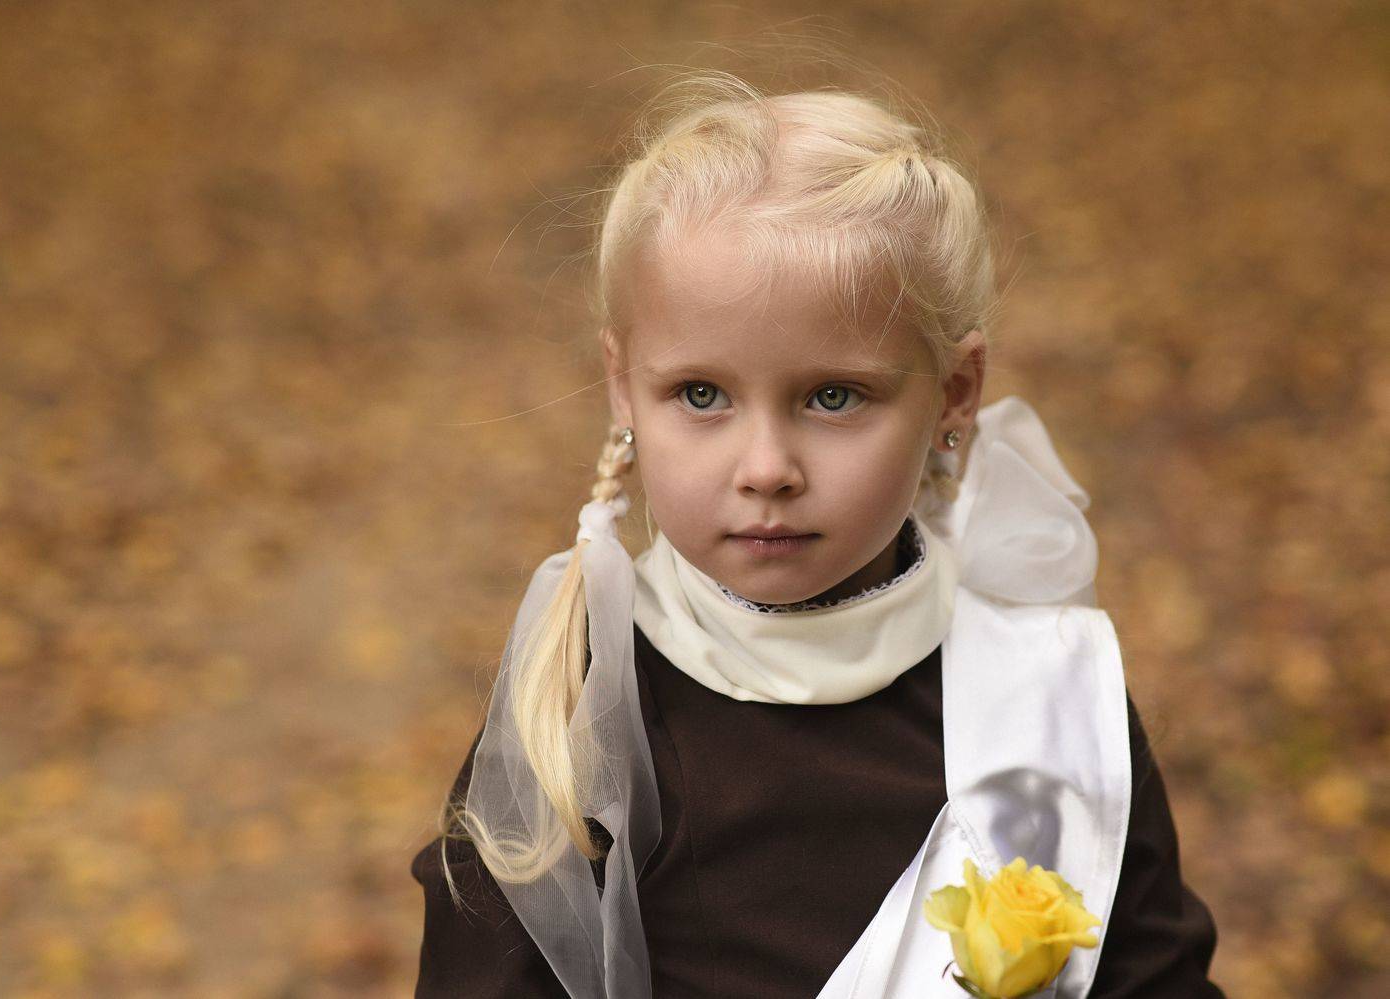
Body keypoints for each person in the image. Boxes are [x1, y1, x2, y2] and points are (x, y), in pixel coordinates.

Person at [410, 72, 1226, 998]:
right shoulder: (580, 709)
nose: (767, 468)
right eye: (702, 394)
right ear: (623, 385)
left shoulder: (1052, 696)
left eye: (833, 396)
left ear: (955, 393)